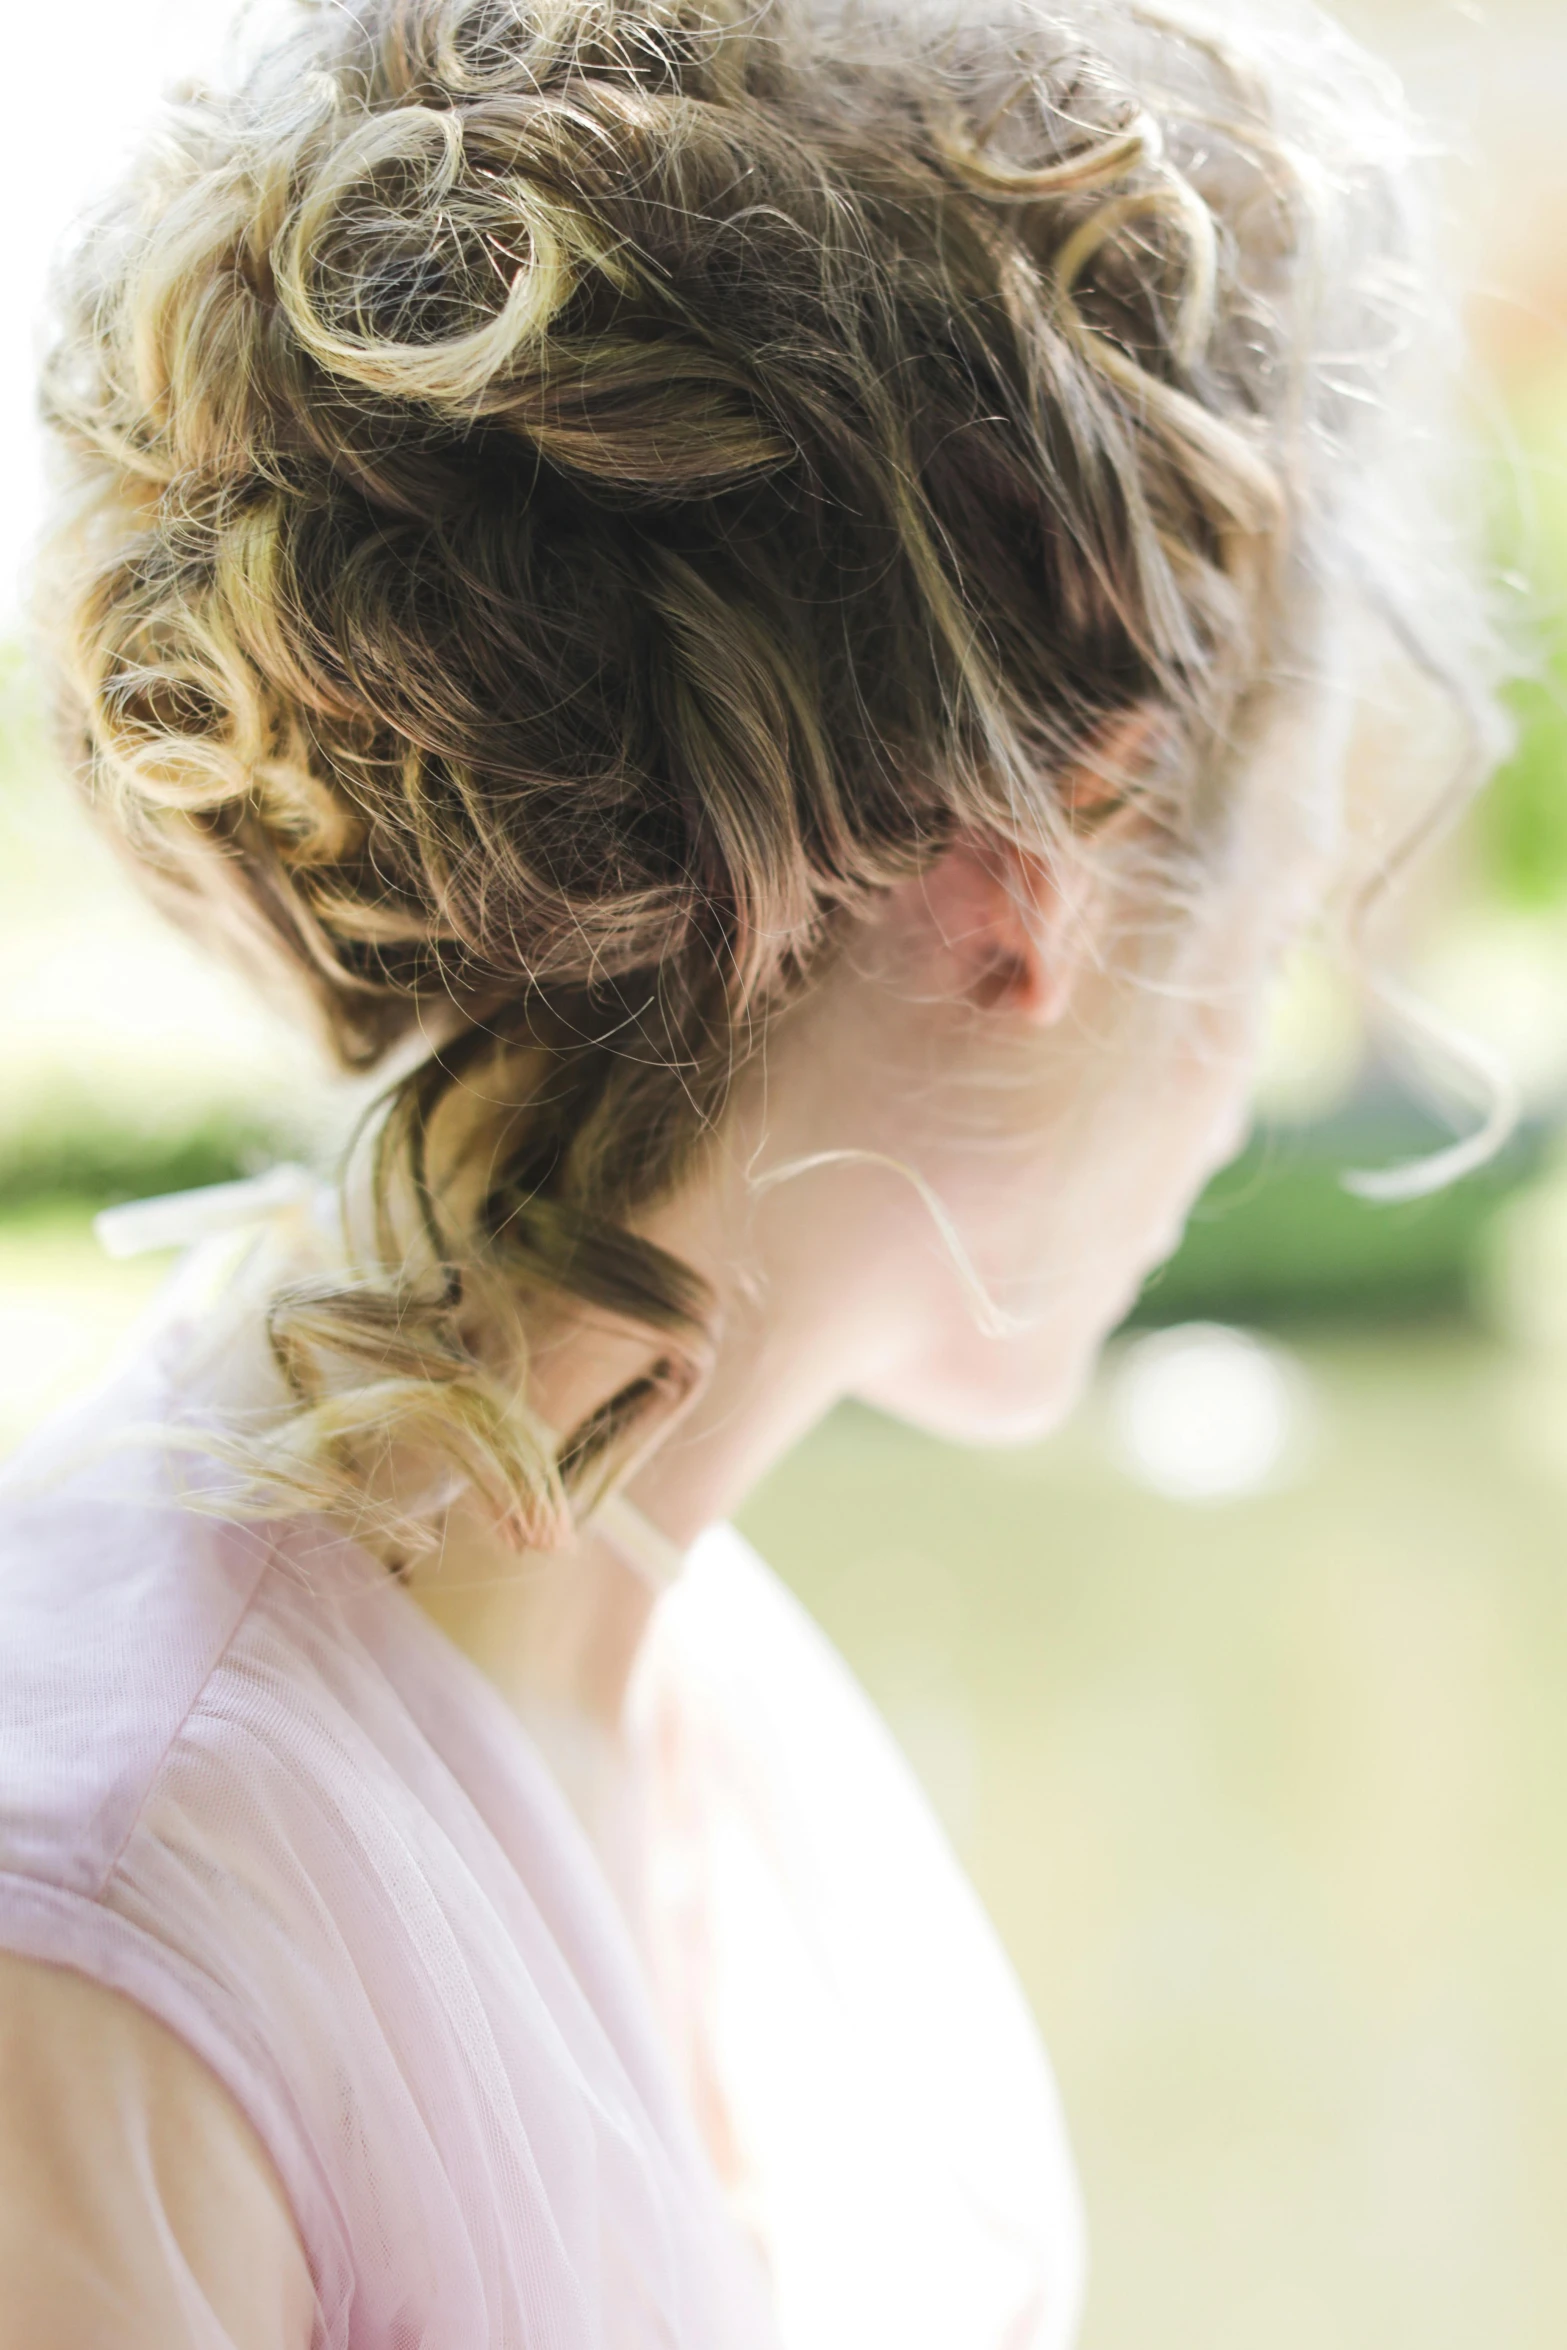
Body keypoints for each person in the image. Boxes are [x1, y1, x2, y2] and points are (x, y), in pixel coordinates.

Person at [0, 0, 1496, 2343]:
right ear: (1040, 887)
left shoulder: (674, 1633)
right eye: (1282, 904)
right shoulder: (105, 1951)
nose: (1245, 1080)